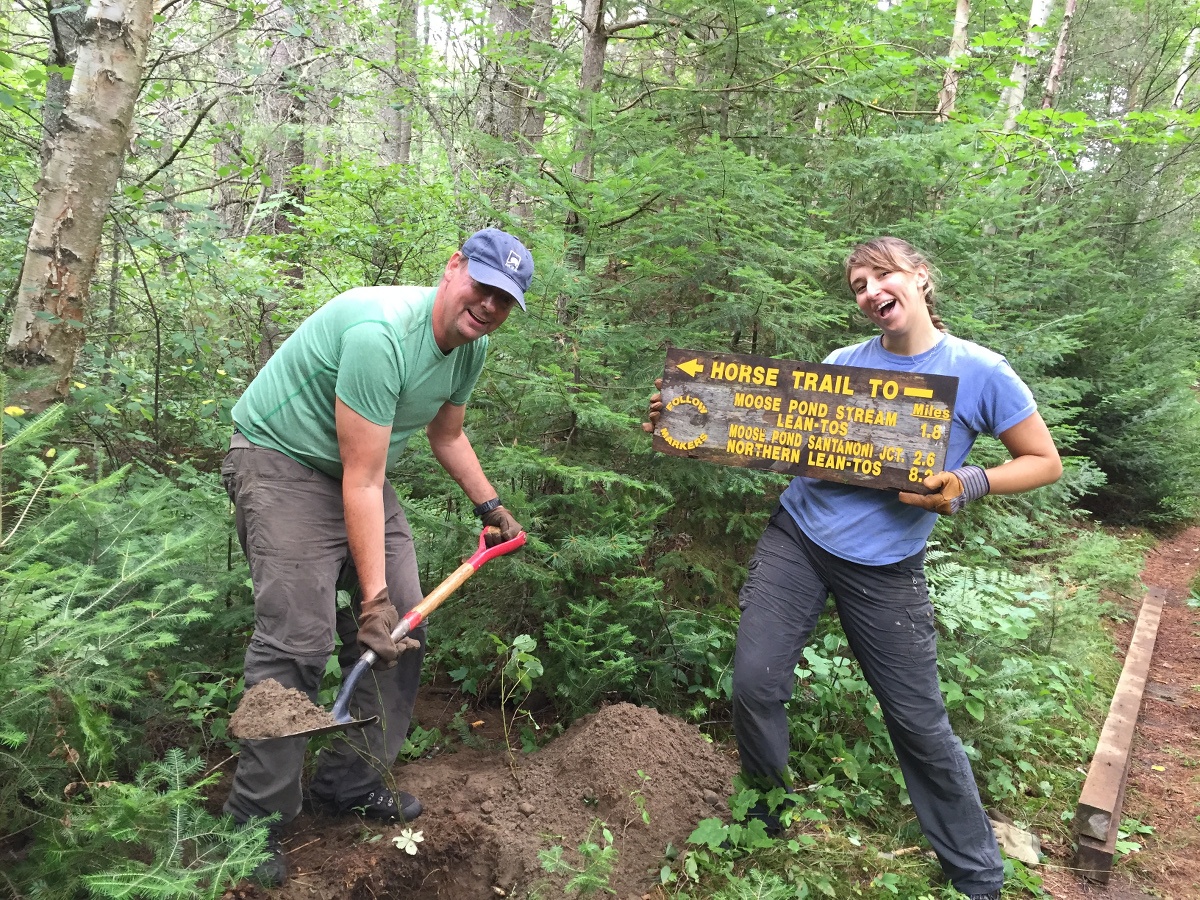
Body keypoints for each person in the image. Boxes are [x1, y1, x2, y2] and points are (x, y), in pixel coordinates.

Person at [645, 236, 1062, 900]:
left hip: (887, 566)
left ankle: (977, 877)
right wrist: (688, 413)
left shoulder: (980, 370)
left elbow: (1043, 459)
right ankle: (767, 812)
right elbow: (775, 428)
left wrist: (967, 482)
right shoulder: (844, 364)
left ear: (921, 278)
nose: (870, 293)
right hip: (800, 538)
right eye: (858, 286)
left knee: (917, 719)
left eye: (881, 276)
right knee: (754, 684)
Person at [221, 227, 531, 886]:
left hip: (355, 471)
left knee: (405, 628)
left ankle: (349, 782)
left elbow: (447, 434)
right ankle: (255, 821)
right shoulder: (380, 332)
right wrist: (371, 602)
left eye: (504, 300)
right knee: (297, 639)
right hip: (279, 460)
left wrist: (490, 506)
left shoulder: (469, 349)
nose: (488, 306)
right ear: (453, 268)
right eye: (482, 287)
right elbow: (360, 480)